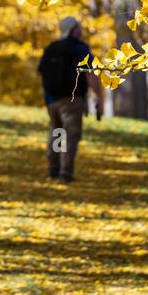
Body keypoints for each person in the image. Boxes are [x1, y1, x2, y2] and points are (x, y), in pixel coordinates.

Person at [37, 15, 103, 183]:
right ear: (73, 30)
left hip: (52, 99)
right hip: (72, 98)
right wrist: (98, 96)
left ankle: (54, 167)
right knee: (71, 135)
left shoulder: (52, 48)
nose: (81, 30)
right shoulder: (79, 48)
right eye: (79, 27)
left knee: (57, 131)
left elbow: (40, 71)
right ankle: (65, 172)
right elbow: (91, 73)